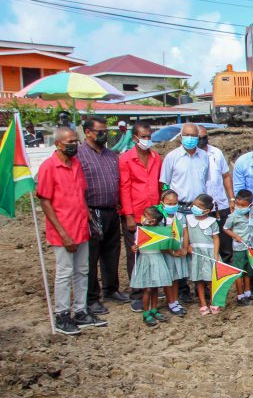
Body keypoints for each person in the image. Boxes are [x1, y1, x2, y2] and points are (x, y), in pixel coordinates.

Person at [37, 127, 107, 335]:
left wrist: (90, 220)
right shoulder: (49, 167)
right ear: (58, 144)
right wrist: (63, 233)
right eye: (69, 142)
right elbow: (45, 201)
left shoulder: (76, 164)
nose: (74, 146)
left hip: (81, 227)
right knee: (64, 273)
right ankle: (62, 315)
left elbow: (80, 196)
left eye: (75, 141)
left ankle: (81, 310)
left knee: (82, 271)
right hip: (63, 231)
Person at [78, 117, 128, 317]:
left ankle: (111, 289)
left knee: (112, 252)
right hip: (91, 210)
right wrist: (85, 212)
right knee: (91, 256)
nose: (104, 134)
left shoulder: (111, 155)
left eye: (105, 131)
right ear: (88, 132)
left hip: (111, 210)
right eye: (100, 131)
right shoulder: (79, 155)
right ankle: (91, 298)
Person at [119, 121, 163, 312]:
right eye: (143, 137)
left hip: (154, 214)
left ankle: (152, 288)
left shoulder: (156, 158)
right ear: (135, 138)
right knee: (135, 255)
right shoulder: (126, 159)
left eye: (148, 136)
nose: (146, 140)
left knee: (154, 252)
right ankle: (137, 293)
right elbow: (124, 188)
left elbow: (160, 184)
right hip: (135, 214)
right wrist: (129, 215)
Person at [224, 189, 253, 306]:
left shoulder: (252, 209)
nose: (239, 207)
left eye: (242, 205)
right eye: (237, 204)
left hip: (250, 246)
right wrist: (235, 236)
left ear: (248, 205)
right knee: (239, 271)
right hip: (239, 248)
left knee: (248, 270)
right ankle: (240, 296)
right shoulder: (233, 216)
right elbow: (226, 228)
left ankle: (248, 293)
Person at [130, 206, 173, 327]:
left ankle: (154, 309)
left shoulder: (160, 231)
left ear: (153, 220)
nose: (143, 217)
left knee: (155, 288)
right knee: (148, 288)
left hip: (156, 258)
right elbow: (135, 245)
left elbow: (165, 244)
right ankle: (146, 312)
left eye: (146, 215)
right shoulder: (140, 231)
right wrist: (134, 248)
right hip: (145, 259)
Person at [198, 125, 235, 262]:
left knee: (226, 244)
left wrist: (231, 198)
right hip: (201, 209)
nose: (202, 141)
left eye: (204, 138)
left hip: (220, 205)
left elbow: (226, 176)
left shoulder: (216, 153)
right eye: (199, 138)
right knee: (206, 244)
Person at [160, 123, 210, 208]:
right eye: (187, 135)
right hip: (179, 207)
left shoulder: (204, 156)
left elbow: (205, 180)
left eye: (193, 135)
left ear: (198, 137)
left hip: (199, 208)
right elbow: (164, 183)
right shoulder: (172, 157)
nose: (190, 138)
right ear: (181, 136)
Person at [186, 194, 220, 315]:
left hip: (209, 253)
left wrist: (215, 254)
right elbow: (186, 235)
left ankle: (214, 302)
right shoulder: (189, 219)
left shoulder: (212, 222)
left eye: (199, 206)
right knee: (198, 280)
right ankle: (202, 303)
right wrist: (188, 245)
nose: (195, 207)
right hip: (196, 253)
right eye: (194, 205)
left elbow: (216, 238)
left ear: (207, 210)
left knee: (211, 280)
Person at [159, 189, 188, 317]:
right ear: (162, 203)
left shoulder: (180, 217)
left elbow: (185, 232)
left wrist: (185, 248)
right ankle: (170, 302)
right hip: (168, 253)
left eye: (174, 203)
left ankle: (175, 300)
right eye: (169, 203)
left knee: (176, 277)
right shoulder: (161, 218)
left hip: (179, 250)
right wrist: (170, 252)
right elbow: (161, 238)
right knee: (169, 278)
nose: (172, 206)